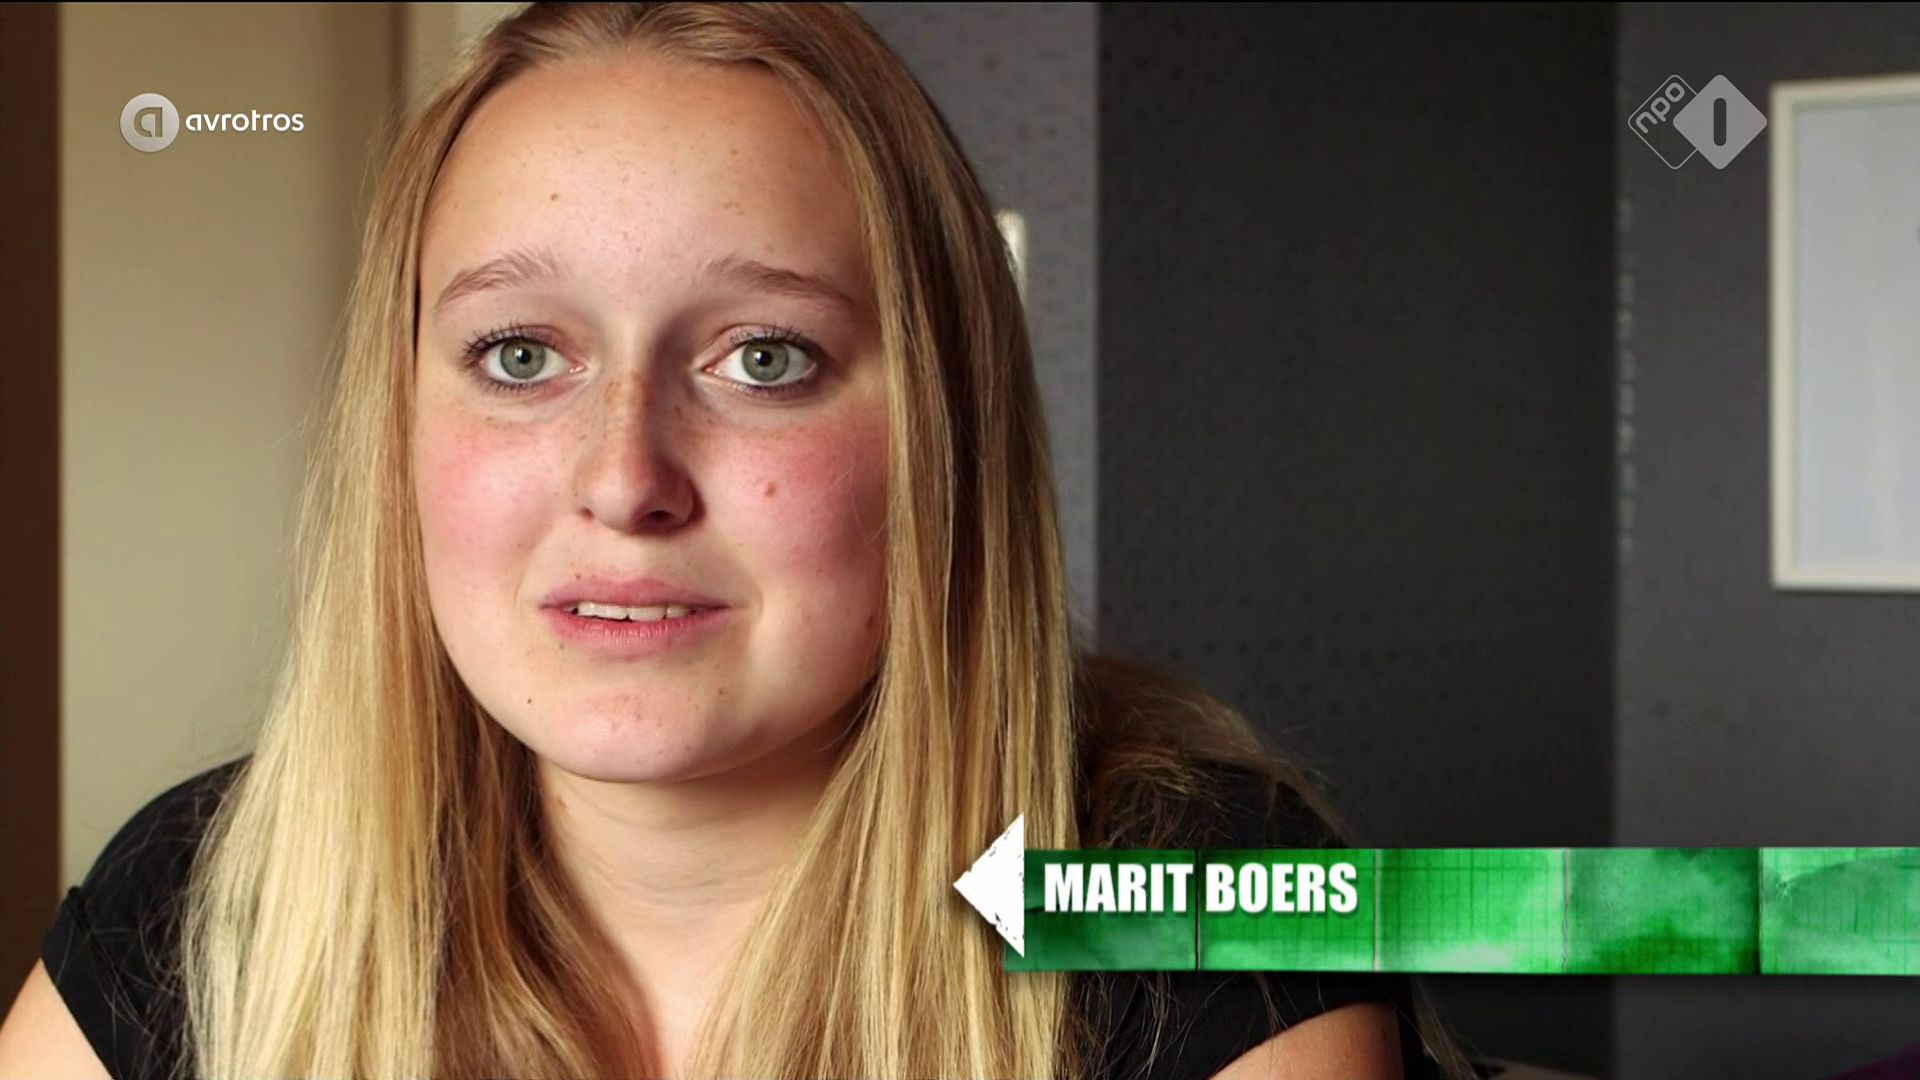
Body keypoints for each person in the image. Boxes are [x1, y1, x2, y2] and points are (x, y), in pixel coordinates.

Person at [0, 4, 1472, 1078]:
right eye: (520, 355)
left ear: (941, 437)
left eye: (765, 359)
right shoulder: (201, 900)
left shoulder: (1201, 910)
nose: (625, 479)